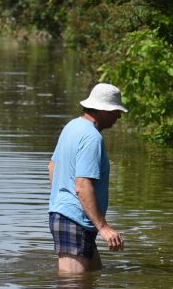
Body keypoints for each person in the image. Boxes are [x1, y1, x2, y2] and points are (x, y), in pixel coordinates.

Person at [48, 83, 127, 273]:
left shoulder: (72, 126)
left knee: (93, 277)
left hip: (74, 217)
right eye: (116, 110)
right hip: (73, 220)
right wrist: (104, 228)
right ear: (102, 110)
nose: (119, 115)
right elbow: (82, 185)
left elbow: (52, 167)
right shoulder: (92, 137)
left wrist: (62, 201)